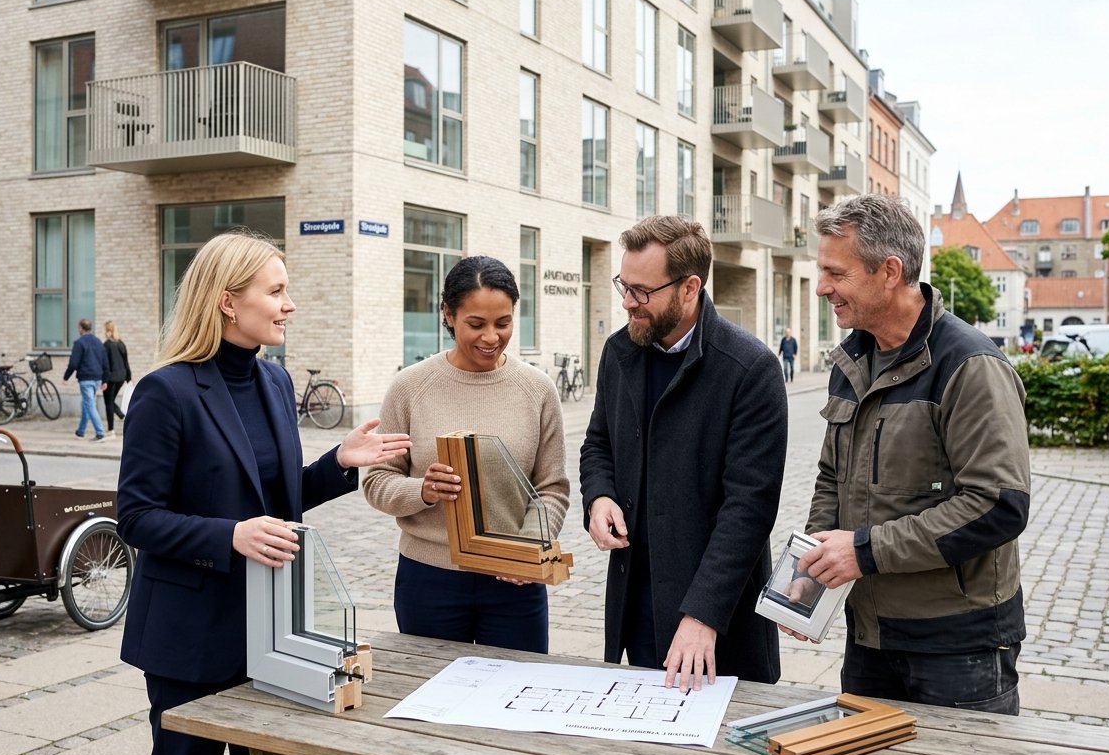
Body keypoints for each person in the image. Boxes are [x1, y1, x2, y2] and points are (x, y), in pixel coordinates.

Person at [116, 231, 411, 755]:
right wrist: (230, 536)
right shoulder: (166, 392)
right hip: (192, 639)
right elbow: (135, 517)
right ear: (228, 300)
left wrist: (339, 462)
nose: (289, 305)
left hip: (274, 630)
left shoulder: (274, 380)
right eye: (276, 291)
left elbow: (275, 497)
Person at [789, 193, 1030, 715]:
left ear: (890, 272)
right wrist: (810, 577)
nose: (822, 286)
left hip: (957, 646)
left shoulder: (969, 366)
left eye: (836, 272)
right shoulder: (853, 360)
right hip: (870, 637)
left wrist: (865, 551)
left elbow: (998, 504)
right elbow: (833, 476)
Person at [580, 216, 786, 692]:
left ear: (690, 287)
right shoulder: (618, 352)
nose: (628, 302)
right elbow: (598, 444)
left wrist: (702, 615)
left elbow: (749, 510)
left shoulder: (750, 369)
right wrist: (600, 496)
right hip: (636, 603)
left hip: (716, 623)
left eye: (642, 291)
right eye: (623, 286)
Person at [364, 255, 569, 654]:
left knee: (516, 700)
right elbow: (376, 482)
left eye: (503, 323)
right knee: (428, 699)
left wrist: (527, 547)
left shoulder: (538, 390)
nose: (491, 337)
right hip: (428, 579)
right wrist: (423, 490)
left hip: (514, 582)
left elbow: (552, 488)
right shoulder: (409, 387)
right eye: (476, 324)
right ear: (448, 315)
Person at [62, 317, 109, 441]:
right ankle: (81, 431)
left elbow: (73, 363)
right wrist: (105, 380)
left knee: (90, 405)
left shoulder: (79, 343)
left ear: (81, 328)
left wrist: (66, 377)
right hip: (97, 378)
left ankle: (100, 432)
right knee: (87, 404)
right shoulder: (98, 342)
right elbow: (105, 362)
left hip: (86, 379)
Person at [101, 320, 131, 433]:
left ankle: (111, 430)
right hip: (121, 376)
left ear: (108, 331)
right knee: (111, 400)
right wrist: (129, 377)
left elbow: (105, 365)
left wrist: (104, 380)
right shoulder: (121, 343)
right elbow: (126, 361)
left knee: (108, 402)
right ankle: (121, 415)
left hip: (111, 377)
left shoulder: (106, 345)